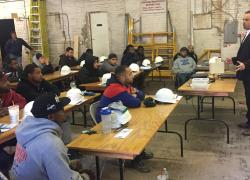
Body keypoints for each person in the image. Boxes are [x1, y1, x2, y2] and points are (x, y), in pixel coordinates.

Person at [11, 93, 91, 180]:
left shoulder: (26, 131)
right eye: (62, 110)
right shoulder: (51, 144)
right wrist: (85, 177)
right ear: (51, 117)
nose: (65, 114)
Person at [96, 65, 153, 173]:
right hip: (107, 119)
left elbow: (141, 95)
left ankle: (140, 152)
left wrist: (135, 94)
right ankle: (136, 159)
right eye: (130, 74)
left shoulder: (124, 84)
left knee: (140, 122)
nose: (133, 75)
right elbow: (135, 103)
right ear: (122, 77)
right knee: (136, 128)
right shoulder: (115, 88)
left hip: (118, 114)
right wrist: (135, 95)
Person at [227, 11, 250, 135]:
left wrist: (246, 65)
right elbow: (245, 54)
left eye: (246, 20)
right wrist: (234, 60)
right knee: (248, 98)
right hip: (246, 74)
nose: (243, 22)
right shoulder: (247, 34)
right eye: (243, 19)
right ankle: (249, 121)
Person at [0, 72, 26, 178]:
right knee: (4, 158)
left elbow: (23, 101)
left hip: (6, 130)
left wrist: (7, 109)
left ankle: (11, 148)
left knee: (23, 138)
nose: (9, 83)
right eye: (5, 81)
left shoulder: (8, 92)